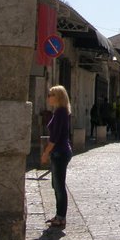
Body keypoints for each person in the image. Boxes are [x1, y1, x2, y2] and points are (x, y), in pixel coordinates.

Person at [40, 85, 72, 229]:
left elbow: (55, 137)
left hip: (60, 152)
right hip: (59, 152)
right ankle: (59, 214)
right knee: (56, 184)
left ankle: (61, 217)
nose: (48, 97)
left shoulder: (61, 112)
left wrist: (45, 153)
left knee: (59, 185)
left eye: (50, 95)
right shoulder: (59, 112)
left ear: (58, 97)